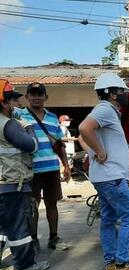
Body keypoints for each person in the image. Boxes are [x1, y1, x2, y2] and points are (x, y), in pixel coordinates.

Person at [79, 72, 129, 270]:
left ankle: (111, 264)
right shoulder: (105, 110)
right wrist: (100, 151)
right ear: (111, 94)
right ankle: (122, 265)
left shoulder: (107, 111)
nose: (124, 94)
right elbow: (84, 128)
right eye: (121, 91)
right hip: (111, 177)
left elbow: (87, 132)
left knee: (109, 220)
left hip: (103, 177)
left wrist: (99, 149)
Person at [0, 79, 49, 270]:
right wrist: (28, 126)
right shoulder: (9, 124)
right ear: (4, 103)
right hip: (12, 183)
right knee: (18, 225)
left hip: (3, 182)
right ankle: (24, 264)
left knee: (2, 226)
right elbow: (33, 146)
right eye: (13, 100)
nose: (18, 104)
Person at [19, 83, 71, 252]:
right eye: (32, 94)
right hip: (30, 170)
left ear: (45, 97)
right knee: (33, 206)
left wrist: (66, 165)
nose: (36, 97)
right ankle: (33, 239)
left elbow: (59, 144)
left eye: (39, 94)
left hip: (51, 168)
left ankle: (53, 237)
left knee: (52, 204)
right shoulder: (18, 115)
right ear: (26, 97)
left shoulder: (52, 117)